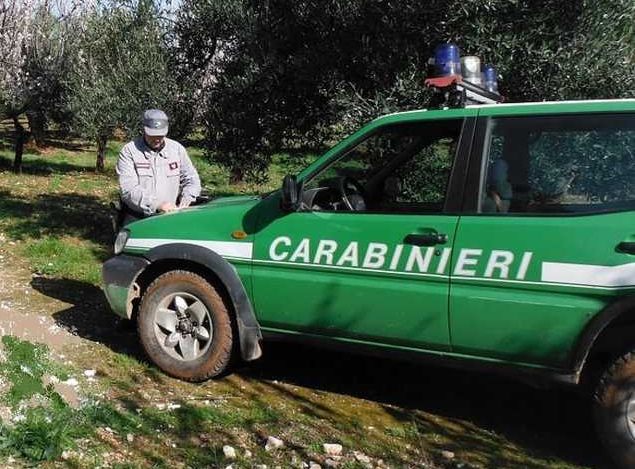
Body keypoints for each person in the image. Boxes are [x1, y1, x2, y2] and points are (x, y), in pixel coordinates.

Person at [116, 109, 201, 225]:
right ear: (144, 130)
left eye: (161, 135)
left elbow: (191, 178)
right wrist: (157, 204)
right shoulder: (129, 151)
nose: (157, 139)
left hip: (170, 217)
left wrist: (188, 198)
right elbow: (128, 189)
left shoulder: (176, 149)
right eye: (152, 135)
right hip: (138, 220)